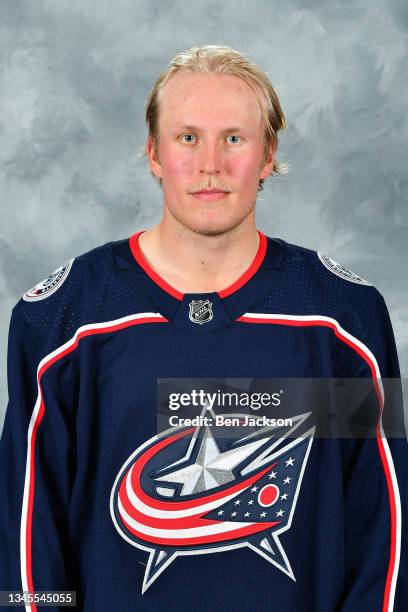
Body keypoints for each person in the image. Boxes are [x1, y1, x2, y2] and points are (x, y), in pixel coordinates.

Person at [0, 44, 406, 611]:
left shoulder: (340, 321)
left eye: (234, 138)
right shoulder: (65, 322)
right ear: (153, 154)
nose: (210, 163)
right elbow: (28, 546)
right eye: (188, 137)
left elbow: (385, 537)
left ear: (268, 156)